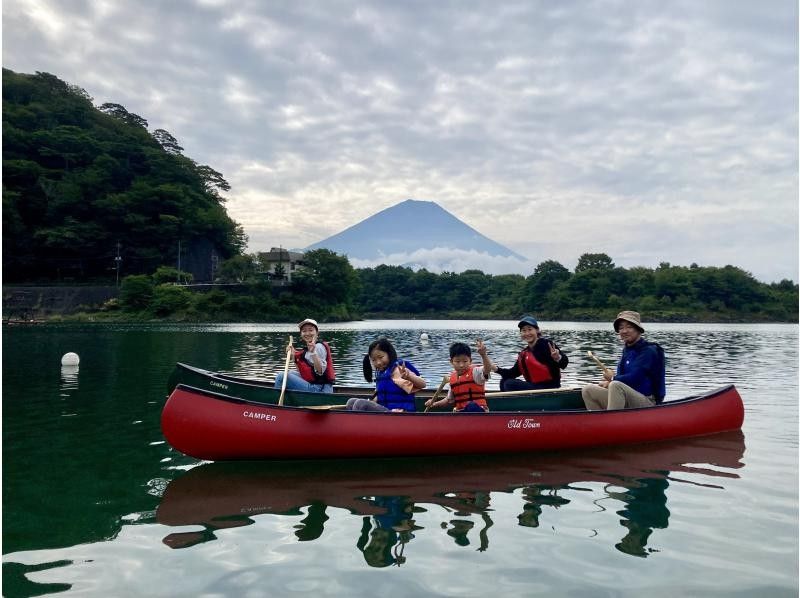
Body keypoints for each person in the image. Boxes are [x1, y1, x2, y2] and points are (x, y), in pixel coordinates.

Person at [581, 310, 666, 410]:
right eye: (621, 328)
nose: (624, 331)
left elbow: (635, 378)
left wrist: (612, 379)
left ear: (638, 329)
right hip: (627, 397)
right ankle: (599, 423)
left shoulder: (648, 351)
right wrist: (609, 382)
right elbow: (622, 380)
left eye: (629, 327)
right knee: (588, 390)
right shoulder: (627, 350)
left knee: (616, 385)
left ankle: (612, 422)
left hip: (648, 402)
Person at [489, 316, 568, 391]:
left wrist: (557, 358)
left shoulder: (546, 344)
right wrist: (496, 369)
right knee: (504, 381)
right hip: (534, 387)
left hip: (549, 388)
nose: (527, 333)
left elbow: (564, 363)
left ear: (537, 330)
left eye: (530, 329)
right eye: (524, 330)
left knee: (509, 384)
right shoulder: (524, 353)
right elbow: (512, 373)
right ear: (521, 333)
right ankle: (510, 404)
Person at [346, 338, 426, 411]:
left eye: (381, 357)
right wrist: (370, 402)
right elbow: (380, 397)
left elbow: (423, 384)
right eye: (374, 360)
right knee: (351, 402)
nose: (378, 362)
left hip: (401, 414)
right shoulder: (382, 374)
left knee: (360, 404)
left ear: (389, 354)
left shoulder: (398, 369)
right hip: (386, 412)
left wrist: (409, 376)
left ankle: (358, 425)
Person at [425, 340, 493, 412]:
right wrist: (434, 403)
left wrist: (483, 355)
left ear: (470, 361)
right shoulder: (453, 378)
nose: (461, 365)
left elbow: (487, 369)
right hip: (461, 414)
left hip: (478, 412)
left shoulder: (475, 372)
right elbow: (448, 400)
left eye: (465, 361)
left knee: (471, 405)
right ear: (451, 362)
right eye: (457, 361)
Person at [273, 318, 335, 393]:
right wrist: (293, 356)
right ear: (301, 334)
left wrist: (313, 353)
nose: (307, 333)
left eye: (310, 330)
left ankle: (276, 399)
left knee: (281, 376)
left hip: (320, 389)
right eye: (304, 331)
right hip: (317, 384)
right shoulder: (308, 349)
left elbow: (320, 370)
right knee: (290, 373)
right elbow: (303, 372)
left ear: (317, 332)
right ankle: (291, 398)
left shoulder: (318, 347)